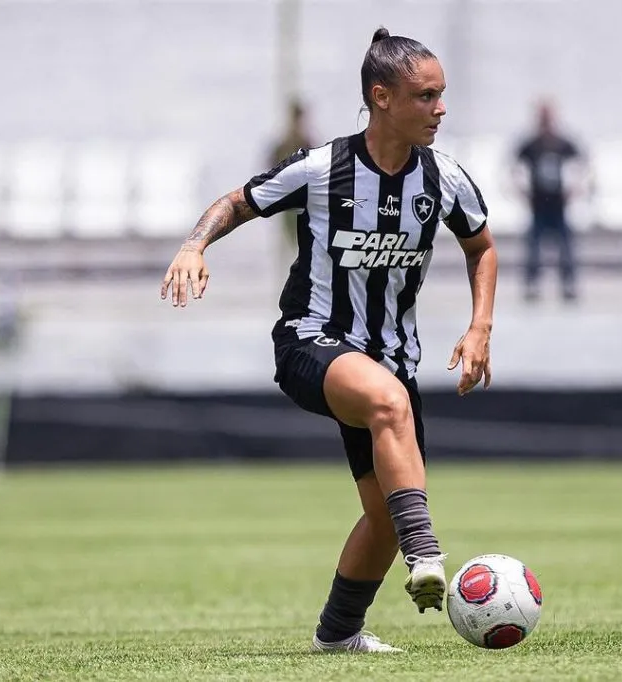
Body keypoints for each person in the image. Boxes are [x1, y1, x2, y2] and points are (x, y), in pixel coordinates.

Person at [160, 27, 497, 654]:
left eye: (442, 95)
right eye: (426, 96)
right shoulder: (324, 168)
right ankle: (427, 553)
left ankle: (338, 634)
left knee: (385, 515)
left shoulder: (445, 178)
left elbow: (481, 247)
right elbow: (238, 202)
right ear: (382, 97)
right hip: (310, 341)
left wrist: (480, 327)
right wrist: (193, 246)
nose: (441, 109)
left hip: (391, 359)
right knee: (389, 404)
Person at [512, 102, 585, 303]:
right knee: (534, 248)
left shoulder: (562, 143)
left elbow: (581, 164)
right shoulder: (531, 144)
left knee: (566, 247)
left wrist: (576, 188)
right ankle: (532, 284)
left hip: (558, 204)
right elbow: (514, 167)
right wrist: (521, 191)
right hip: (538, 205)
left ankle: (568, 284)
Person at [270, 99, 316, 267]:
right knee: (293, 240)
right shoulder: (290, 142)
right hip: (290, 199)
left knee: (298, 240)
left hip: (299, 199)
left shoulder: (300, 141)